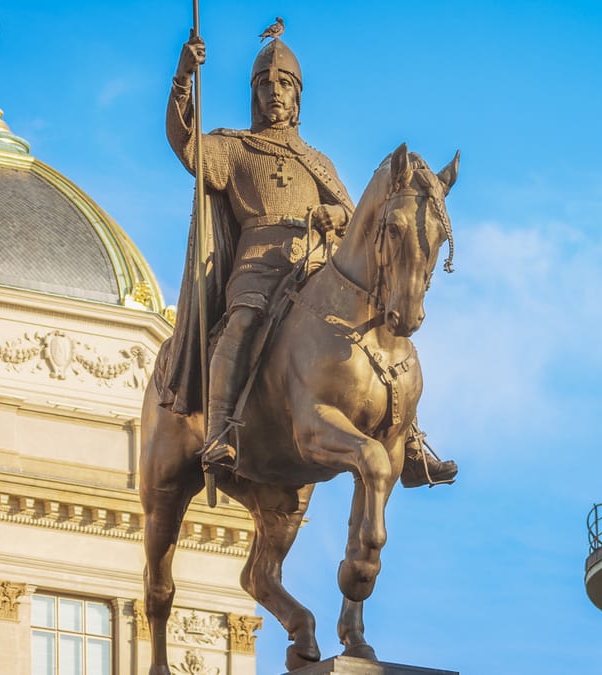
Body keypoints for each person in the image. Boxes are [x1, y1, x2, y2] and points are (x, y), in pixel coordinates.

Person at [161, 33, 457, 487]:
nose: (274, 92)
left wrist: (336, 213)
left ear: (297, 95)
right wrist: (184, 78)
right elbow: (187, 146)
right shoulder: (234, 147)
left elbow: (358, 216)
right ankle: (220, 430)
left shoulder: (316, 160)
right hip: (258, 263)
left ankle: (410, 441)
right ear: (254, 94)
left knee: (379, 323)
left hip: (317, 262)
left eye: (284, 84)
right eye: (265, 84)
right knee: (241, 323)